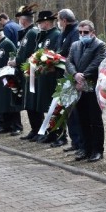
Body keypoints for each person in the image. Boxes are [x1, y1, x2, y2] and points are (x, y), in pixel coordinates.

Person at [66, 21, 106, 162]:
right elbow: (69, 62)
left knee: (95, 119)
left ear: (92, 32)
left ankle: (97, 150)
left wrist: (82, 76)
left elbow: (98, 62)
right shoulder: (75, 45)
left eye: (85, 32)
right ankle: (85, 148)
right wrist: (75, 75)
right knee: (81, 119)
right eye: (80, 32)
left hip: (92, 86)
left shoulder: (100, 45)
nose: (82, 35)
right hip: (78, 87)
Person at [0, 24, 23, 135]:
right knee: (2, 103)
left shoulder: (7, 44)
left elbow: (11, 61)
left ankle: (16, 126)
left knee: (10, 102)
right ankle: (6, 125)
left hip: (6, 79)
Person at [32, 10, 63, 144]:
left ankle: (59, 134)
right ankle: (50, 132)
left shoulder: (55, 35)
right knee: (46, 106)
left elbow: (56, 55)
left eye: (41, 22)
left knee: (54, 106)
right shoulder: (43, 36)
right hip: (43, 76)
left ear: (46, 22)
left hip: (52, 76)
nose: (39, 25)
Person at [12, 5, 41, 140]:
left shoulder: (32, 33)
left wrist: (17, 62)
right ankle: (34, 129)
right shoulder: (26, 33)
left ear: (23, 21)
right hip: (25, 72)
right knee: (28, 103)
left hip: (31, 72)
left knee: (33, 103)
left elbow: (29, 53)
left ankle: (38, 129)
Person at [55, 8, 82, 150]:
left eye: (59, 20)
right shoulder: (63, 33)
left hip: (72, 75)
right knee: (68, 111)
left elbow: (74, 55)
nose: (58, 23)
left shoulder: (76, 32)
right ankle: (74, 141)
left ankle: (79, 141)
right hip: (63, 75)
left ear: (64, 21)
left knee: (75, 111)